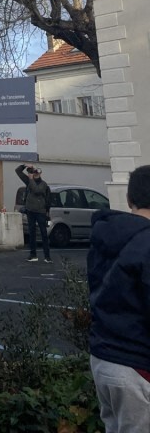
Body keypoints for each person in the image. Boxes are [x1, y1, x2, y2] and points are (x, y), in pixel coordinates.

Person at [88, 165, 150, 433]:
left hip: (103, 358)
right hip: (138, 364)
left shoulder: (105, 236)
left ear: (129, 200)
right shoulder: (147, 243)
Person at [15, 163, 51, 262]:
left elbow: (36, 190)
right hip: (30, 211)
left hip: (40, 212)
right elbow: (17, 171)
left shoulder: (43, 184)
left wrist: (31, 179)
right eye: (33, 172)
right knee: (32, 233)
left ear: (40, 174)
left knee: (43, 233)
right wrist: (24, 165)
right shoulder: (29, 181)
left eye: (36, 172)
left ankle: (47, 256)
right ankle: (33, 254)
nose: (34, 174)